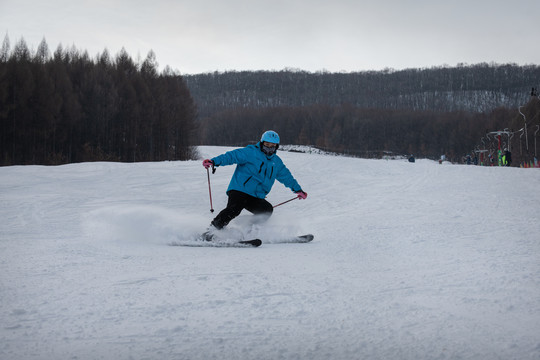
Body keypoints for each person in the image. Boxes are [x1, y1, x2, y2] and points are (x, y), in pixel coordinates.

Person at [201, 130, 307, 241]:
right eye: (267, 144)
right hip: (240, 189)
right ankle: (212, 230)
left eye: (273, 146)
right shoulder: (250, 152)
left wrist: (298, 190)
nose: (269, 148)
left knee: (266, 210)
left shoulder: (276, 162)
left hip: (256, 195)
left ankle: (247, 231)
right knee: (234, 209)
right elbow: (232, 156)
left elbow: (286, 176)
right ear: (262, 143)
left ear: (276, 146)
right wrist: (214, 161)